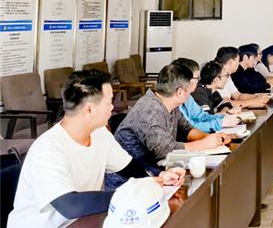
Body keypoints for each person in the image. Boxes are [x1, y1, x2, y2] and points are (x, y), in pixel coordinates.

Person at [8, 70, 184, 228]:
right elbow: (70, 205)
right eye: (109, 102)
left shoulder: (99, 133)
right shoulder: (48, 150)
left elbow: (128, 167)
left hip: (84, 220)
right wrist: (126, 197)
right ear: (89, 110)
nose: (112, 107)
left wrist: (157, 177)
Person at [107, 63, 230, 189]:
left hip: (155, 172)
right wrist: (204, 144)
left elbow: (186, 129)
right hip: (128, 181)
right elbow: (166, 151)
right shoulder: (149, 111)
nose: (191, 93)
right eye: (189, 90)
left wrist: (211, 138)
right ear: (180, 92)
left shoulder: (170, 104)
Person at [173, 58, 240, 132]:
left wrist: (223, 116)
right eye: (196, 78)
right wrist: (220, 123)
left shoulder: (188, 96)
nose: (198, 81)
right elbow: (190, 127)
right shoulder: (196, 94)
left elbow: (201, 116)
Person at [194, 60, 269, 112]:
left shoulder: (214, 92)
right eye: (226, 76)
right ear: (216, 79)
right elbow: (206, 119)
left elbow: (225, 104)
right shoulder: (200, 93)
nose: (227, 79)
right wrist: (224, 115)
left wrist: (226, 112)